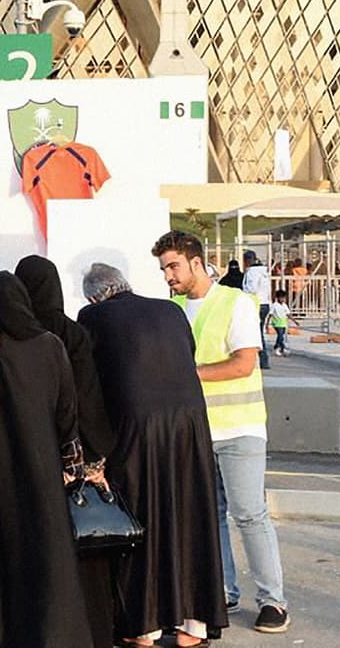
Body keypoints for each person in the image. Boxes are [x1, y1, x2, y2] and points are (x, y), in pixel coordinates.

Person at [78, 263, 228, 646]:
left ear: (95, 297)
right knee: (191, 516)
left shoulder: (93, 317)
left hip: (137, 426)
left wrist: (94, 456)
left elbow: (91, 382)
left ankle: (144, 628)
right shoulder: (170, 309)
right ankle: (194, 627)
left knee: (140, 518)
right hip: (190, 424)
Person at [154, 231, 290, 634]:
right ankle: (222, 591)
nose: (168, 276)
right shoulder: (173, 309)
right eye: (163, 269)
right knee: (208, 517)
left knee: (249, 514)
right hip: (196, 431)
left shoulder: (236, 302)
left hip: (239, 430)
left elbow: (243, 363)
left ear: (196, 262)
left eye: (173, 266)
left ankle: (273, 602)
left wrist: (186, 374)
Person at [0, 272, 90, 648]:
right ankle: (51, 634)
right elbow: (66, 411)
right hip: (41, 465)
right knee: (47, 551)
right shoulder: (50, 345)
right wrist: (71, 462)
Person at [14, 255, 117, 648]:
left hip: (33, 454)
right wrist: (93, 457)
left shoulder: (18, 334)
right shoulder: (72, 333)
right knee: (84, 546)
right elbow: (88, 397)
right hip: (76, 455)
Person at [241, 250, 272, 369]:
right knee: (259, 332)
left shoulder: (252, 272)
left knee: (254, 332)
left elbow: (251, 288)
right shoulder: (263, 272)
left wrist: (243, 292)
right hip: (265, 303)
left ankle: (261, 359)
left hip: (255, 304)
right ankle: (263, 359)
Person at [269, 289, 293, 355]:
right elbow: (270, 314)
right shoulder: (274, 305)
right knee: (280, 335)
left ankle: (277, 346)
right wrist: (267, 323)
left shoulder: (285, 305)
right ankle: (281, 348)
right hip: (276, 322)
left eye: (284, 298)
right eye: (281, 298)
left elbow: (288, 314)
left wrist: (294, 321)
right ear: (278, 298)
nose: (283, 299)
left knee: (281, 336)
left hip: (283, 322)